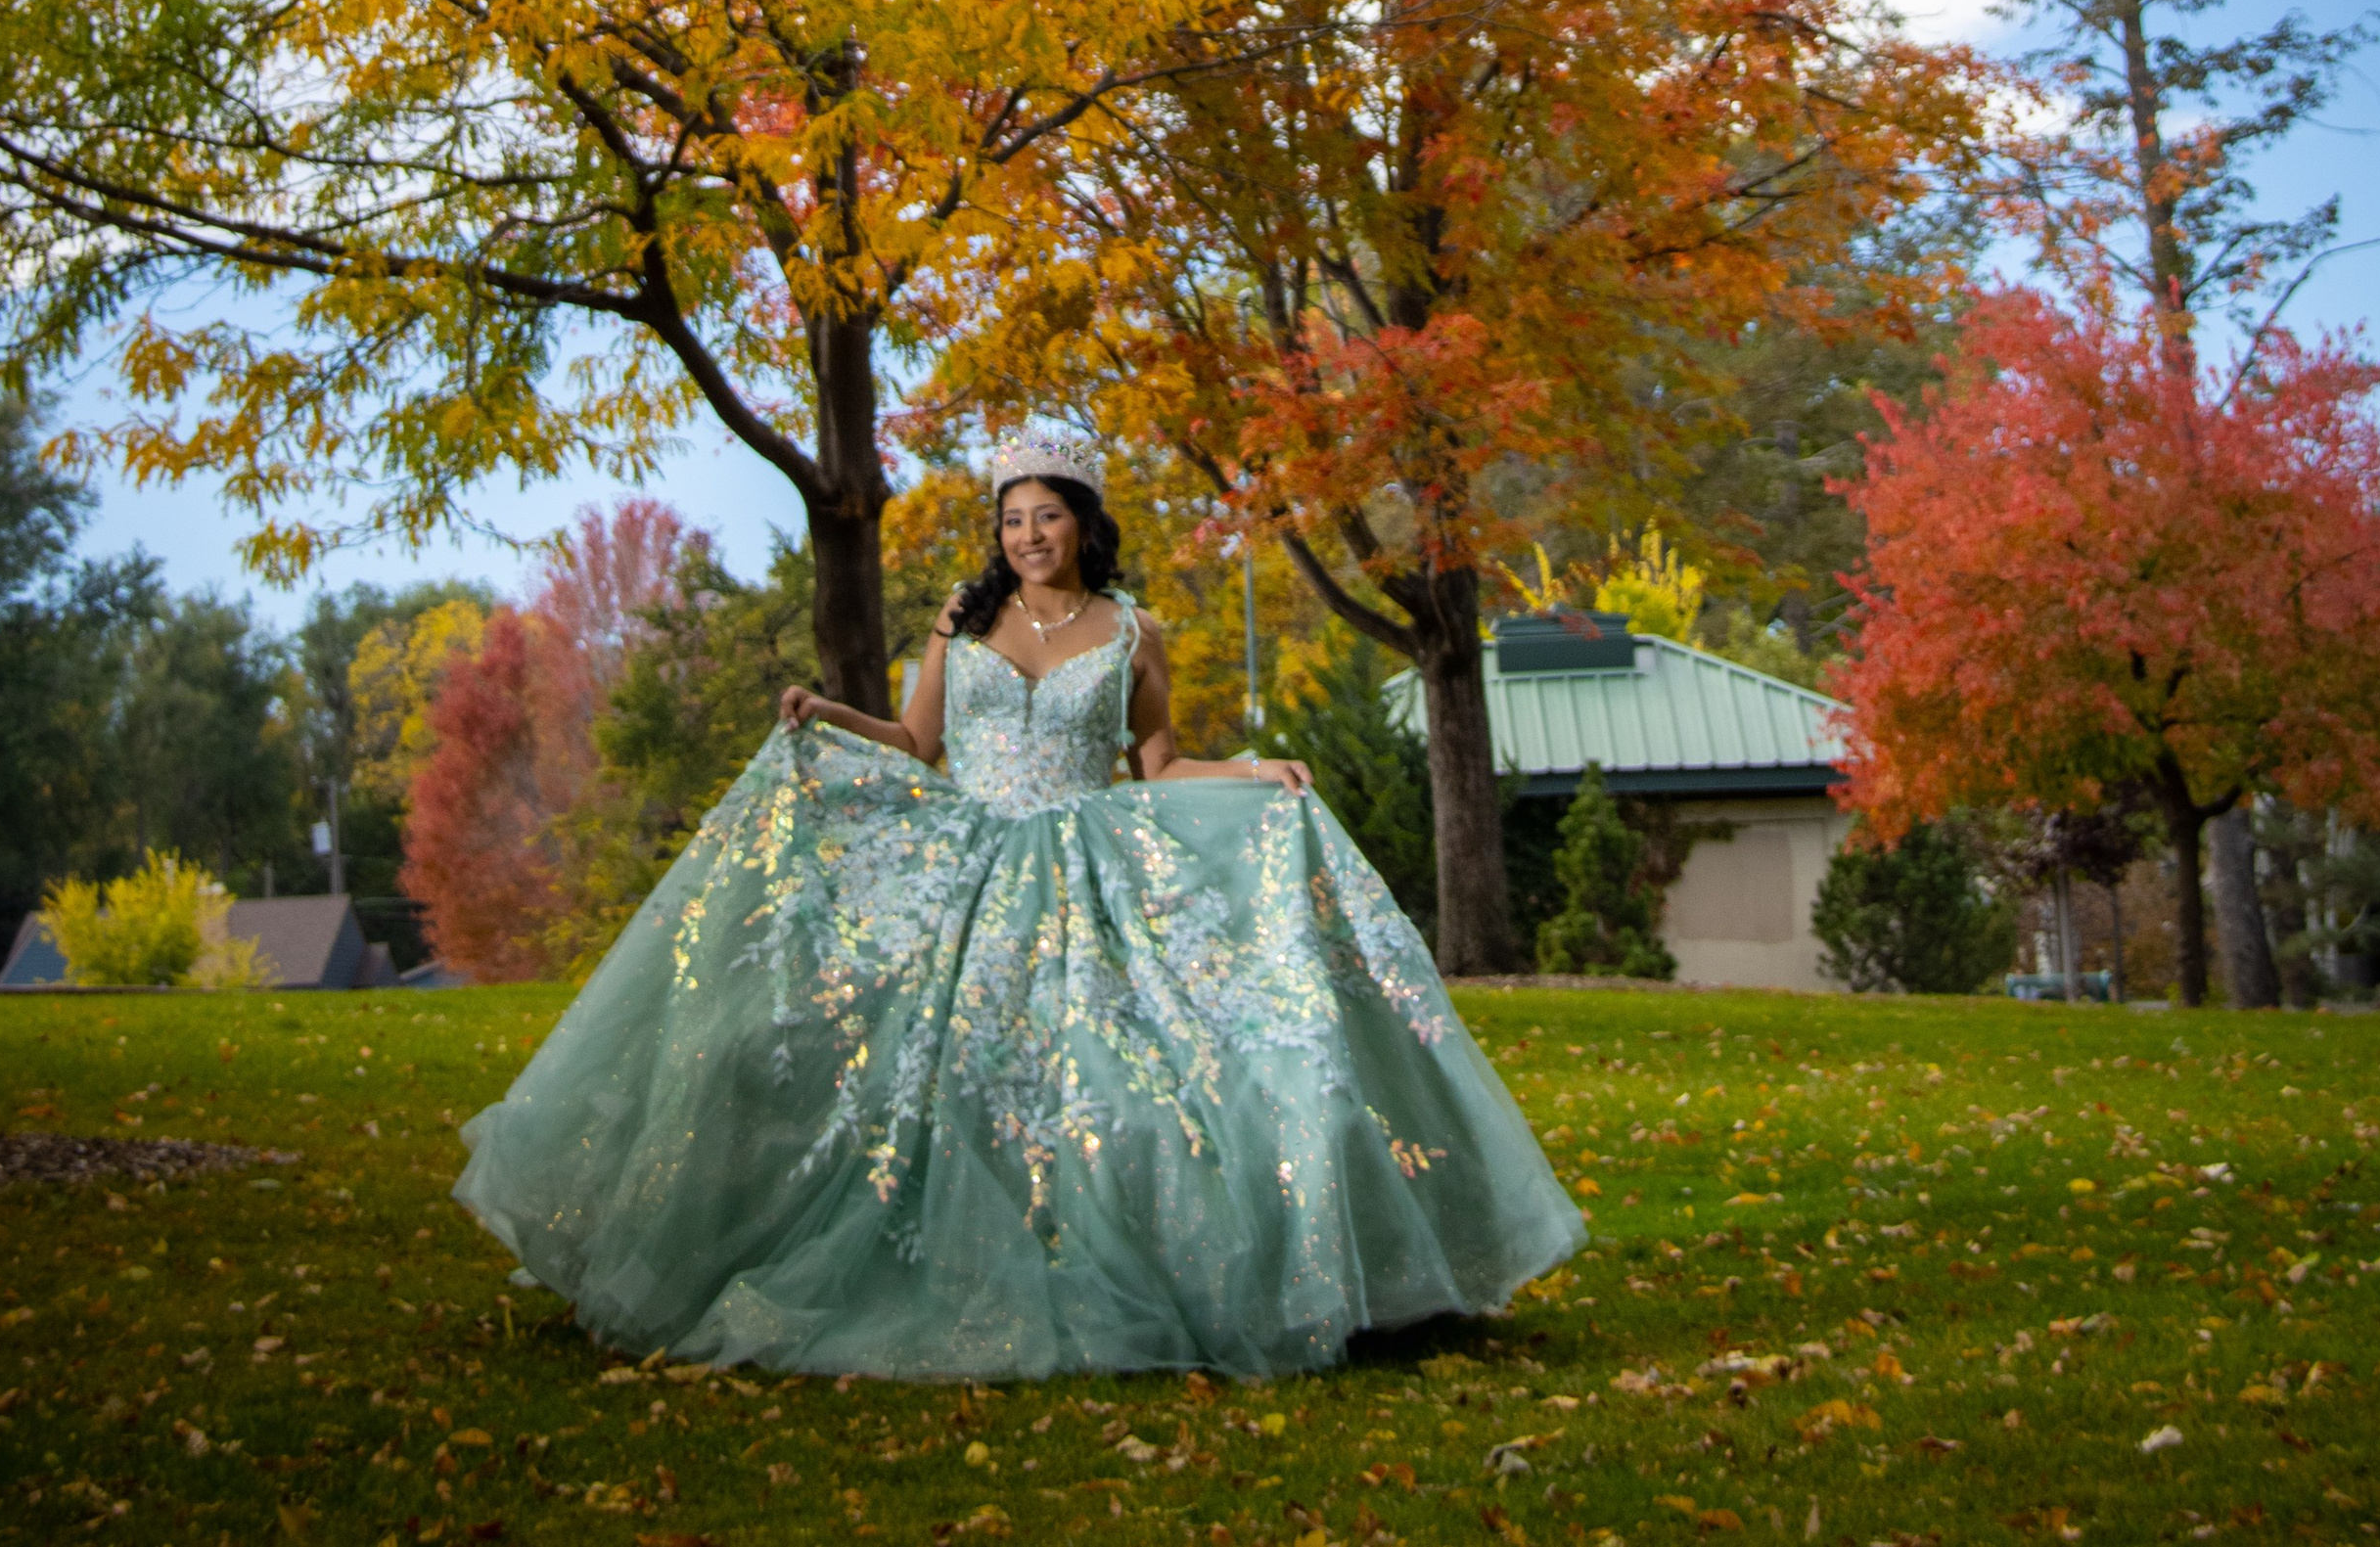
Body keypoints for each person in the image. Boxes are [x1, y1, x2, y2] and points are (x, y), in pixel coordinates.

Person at [455, 420, 1580, 1377]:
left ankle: (1156, 1265)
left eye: (1044, 515)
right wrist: (826, 716)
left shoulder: (1136, 630)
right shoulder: (963, 618)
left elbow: (1159, 767)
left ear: (1083, 522)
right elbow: (917, 741)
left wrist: (1258, 773)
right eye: (1010, 518)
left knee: (1118, 1080)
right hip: (970, 861)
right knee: (922, 1077)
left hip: (1086, 868)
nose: (1024, 536)